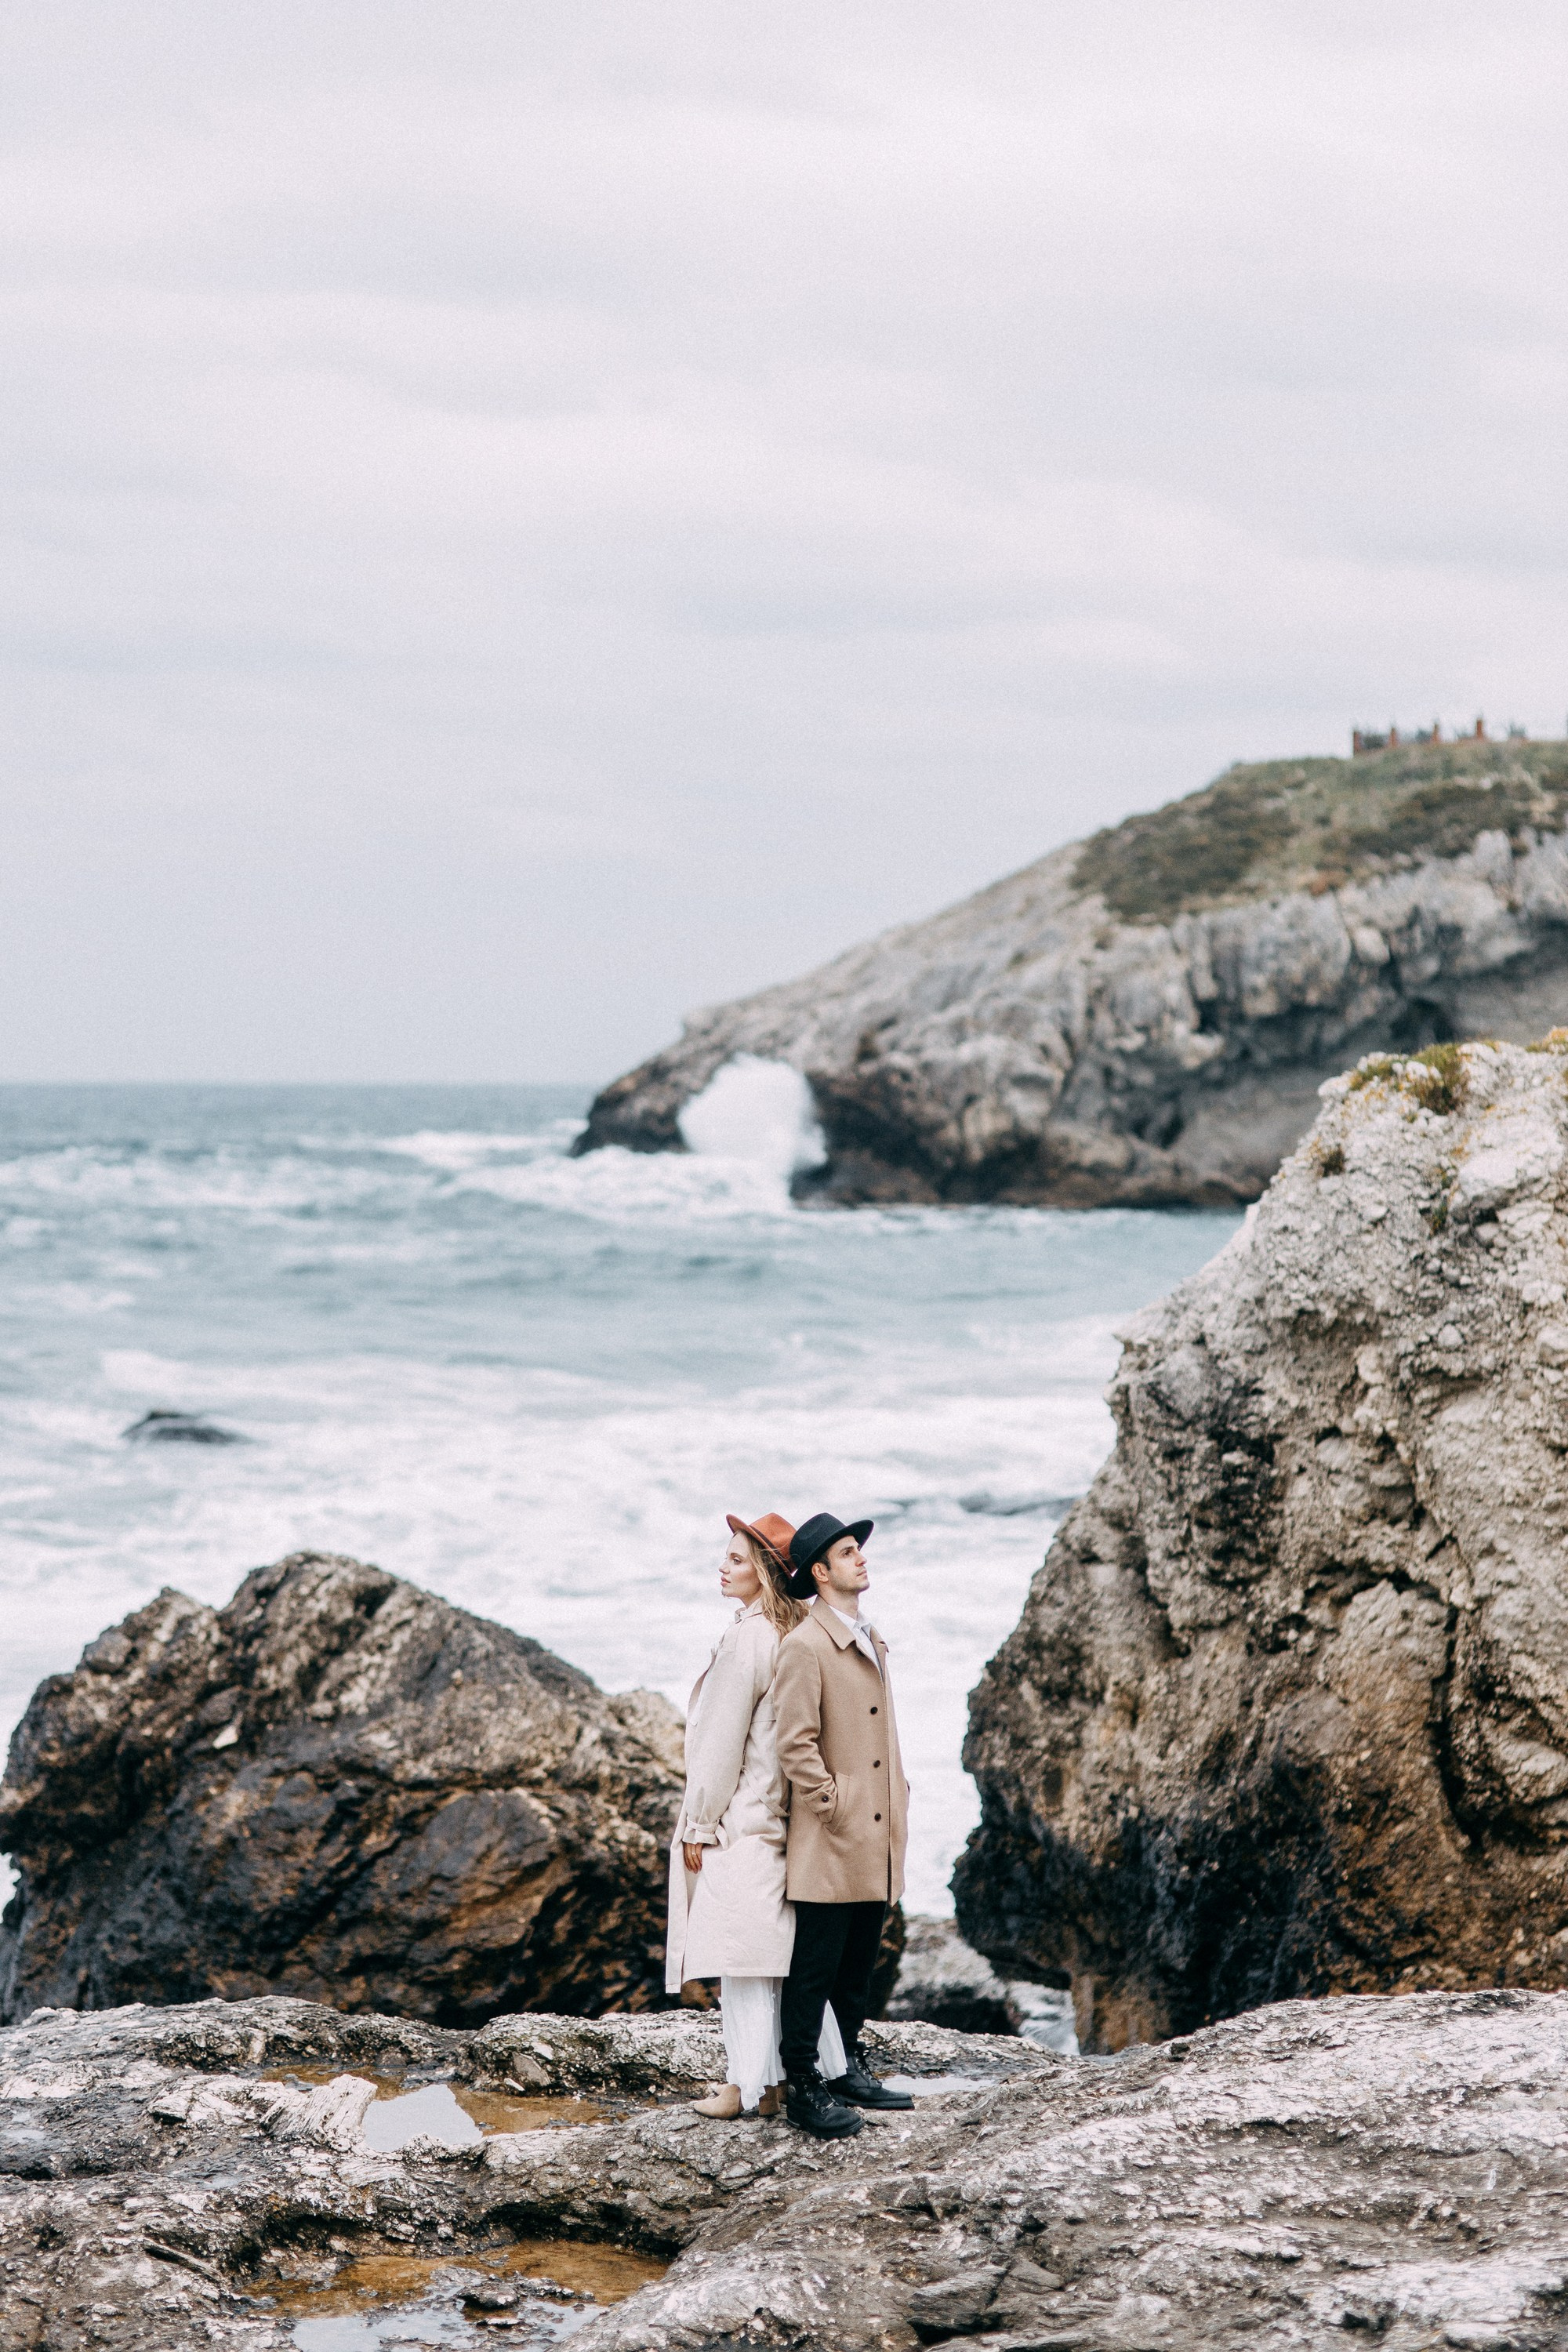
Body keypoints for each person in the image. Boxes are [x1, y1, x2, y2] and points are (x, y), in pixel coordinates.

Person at [665, 1512, 848, 2118]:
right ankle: (772, 2083)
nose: (723, 1567)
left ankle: (746, 2086)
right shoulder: (793, 1630)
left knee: (743, 1960)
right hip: (782, 1816)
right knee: (774, 1956)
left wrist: (698, 1823)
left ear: (766, 1571)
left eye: (737, 1559)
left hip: (740, 1817)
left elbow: (720, 1742)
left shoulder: (748, 1637)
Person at [772, 1511, 914, 2139]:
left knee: (859, 1959)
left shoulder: (868, 1632)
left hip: (878, 1828)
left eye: (860, 1550)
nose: (862, 1559)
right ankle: (802, 2083)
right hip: (835, 1832)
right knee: (815, 1967)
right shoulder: (804, 1645)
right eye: (848, 1552)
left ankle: (847, 2065)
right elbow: (794, 1742)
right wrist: (832, 1803)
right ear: (820, 1572)